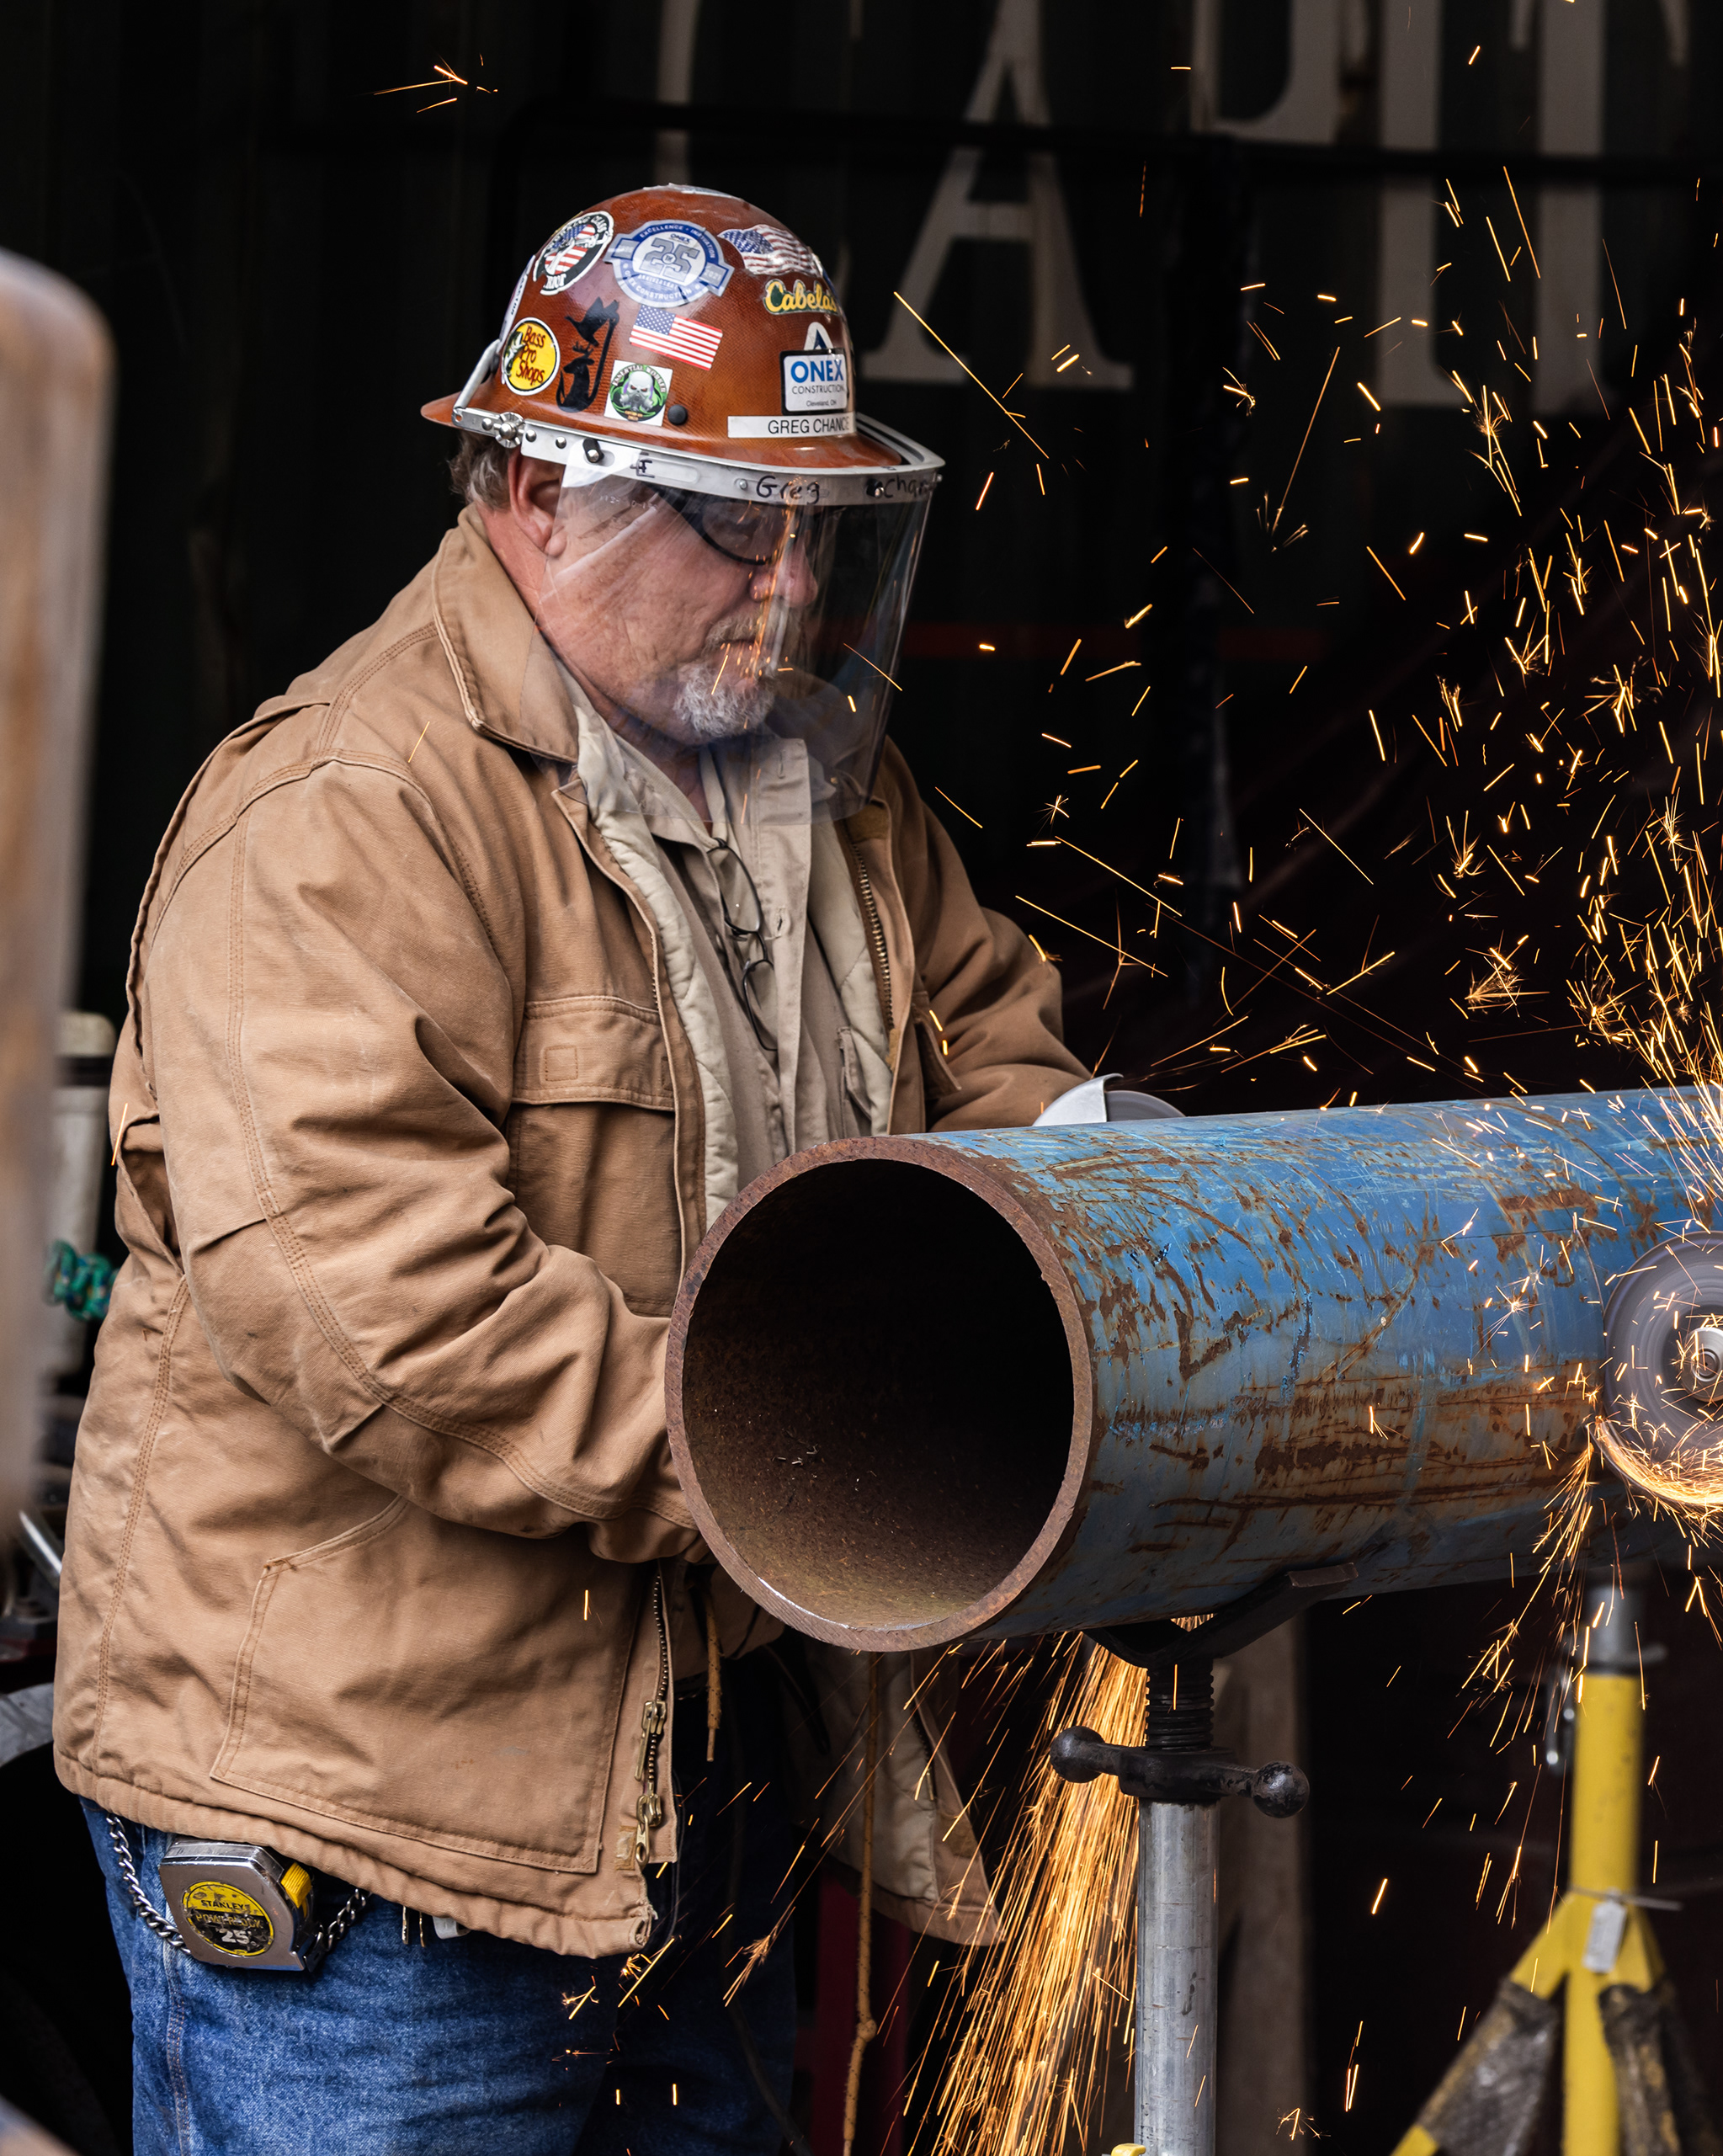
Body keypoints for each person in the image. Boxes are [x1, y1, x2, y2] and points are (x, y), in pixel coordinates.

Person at [52, 185, 1109, 2150]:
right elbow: (392, 1316)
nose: (789, 592)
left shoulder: (824, 798)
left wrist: (1103, 1218)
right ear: (531, 490)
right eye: (733, 523)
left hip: (682, 1814)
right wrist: (830, 1457)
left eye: (823, 531)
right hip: (367, 1836)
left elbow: (996, 1061)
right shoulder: (346, 817)